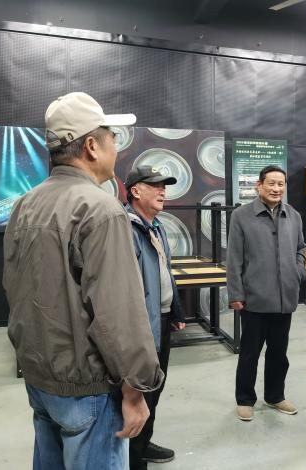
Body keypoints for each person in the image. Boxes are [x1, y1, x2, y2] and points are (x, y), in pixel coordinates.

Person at [3, 92, 164, 470]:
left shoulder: (25, 204)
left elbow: (14, 288)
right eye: (112, 137)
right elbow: (118, 313)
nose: (116, 147)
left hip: (41, 379)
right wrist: (135, 388)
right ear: (91, 146)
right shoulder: (100, 209)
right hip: (88, 388)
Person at [227, 165, 306, 421]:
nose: (276, 188)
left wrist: (298, 271)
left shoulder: (293, 215)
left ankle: (275, 396)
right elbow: (234, 258)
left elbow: (301, 248)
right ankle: (245, 399)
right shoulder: (242, 216)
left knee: (279, 353)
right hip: (254, 299)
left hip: (285, 298)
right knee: (250, 353)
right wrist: (236, 293)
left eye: (281, 184)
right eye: (271, 183)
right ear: (259, 185)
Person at [124, 166, 187, 470]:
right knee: (139, 392)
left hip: (160, 320)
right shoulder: (125, 228)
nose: (163, 191)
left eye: (164, 186)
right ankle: (132, 458)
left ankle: (142, 443)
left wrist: (175, 310)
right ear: (135, 191)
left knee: (155, 389)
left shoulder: (156, 226)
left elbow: (164, 273)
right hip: (140, 327)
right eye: (155, 185)